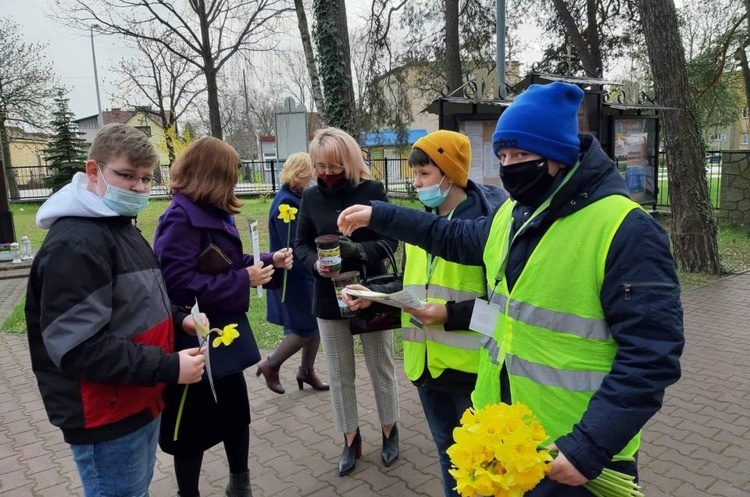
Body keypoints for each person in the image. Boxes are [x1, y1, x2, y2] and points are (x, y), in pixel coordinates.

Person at [338, 82, 684, 496]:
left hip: (571, 451)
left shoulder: (626, 229)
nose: (508, 166)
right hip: (504, 434)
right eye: (502, 155)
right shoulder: (514, 216)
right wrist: (380, 214)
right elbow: (449, 237)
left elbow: (651, 356)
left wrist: (590, 446)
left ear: (558, 155)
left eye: (521, 154)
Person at [25, 123, 207, 497]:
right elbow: (76, 347)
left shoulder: (118, 226)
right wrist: (168, 367)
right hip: (105, 412)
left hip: (136, 398)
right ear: (94, 171)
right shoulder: (76, 243)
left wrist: (179, 318)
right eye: (127, 176)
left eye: (146, 178)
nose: (139, 188)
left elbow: (140, 301)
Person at [342, 130, 507, 497]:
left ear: (451, 174)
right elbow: (414, 287)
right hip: (427, 369)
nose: (416, 184)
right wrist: (376, 296)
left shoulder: (486, 229)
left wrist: (449, 314)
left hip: (471, 374)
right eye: (414, 174)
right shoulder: (423, 224)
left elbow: (502, 313)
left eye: (424, 174)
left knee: (484, 465)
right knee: (448, 457)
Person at [153, 137, 293, 497]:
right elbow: (177, 285)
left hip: (224, 334)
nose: (233, 184)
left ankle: (240, 481)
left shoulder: (213, 210)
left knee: (235, 411)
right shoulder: (180, 218)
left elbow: (227, 262)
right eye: (229, 176)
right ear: (211, 176)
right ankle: (189, 491)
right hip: (193, 334)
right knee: (192, 426)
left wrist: (266, 260)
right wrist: (241, 279)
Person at [294, 127, 400, 476]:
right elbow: (301, 245)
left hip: (370, 294)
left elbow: (390, 242)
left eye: (334, 166)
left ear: (349, 161)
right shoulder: (309, 198)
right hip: (328, 297)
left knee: (380, 367)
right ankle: (350, 438)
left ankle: (389, 430)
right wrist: (315, 264)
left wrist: (359, 251)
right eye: (320, 166)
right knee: (339, 375)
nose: (326, 174)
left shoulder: (372, 191)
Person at [261, 152, 329, 394]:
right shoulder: (286, 203)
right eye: (312, 170)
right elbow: (293, 245)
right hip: (295, 278)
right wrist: (312, 269)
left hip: (304, 276)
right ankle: (271, 365)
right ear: (301, 172)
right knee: (303, 329)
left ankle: (306, 371)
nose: (315, 175)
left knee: (315, 324)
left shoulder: (295, 197)